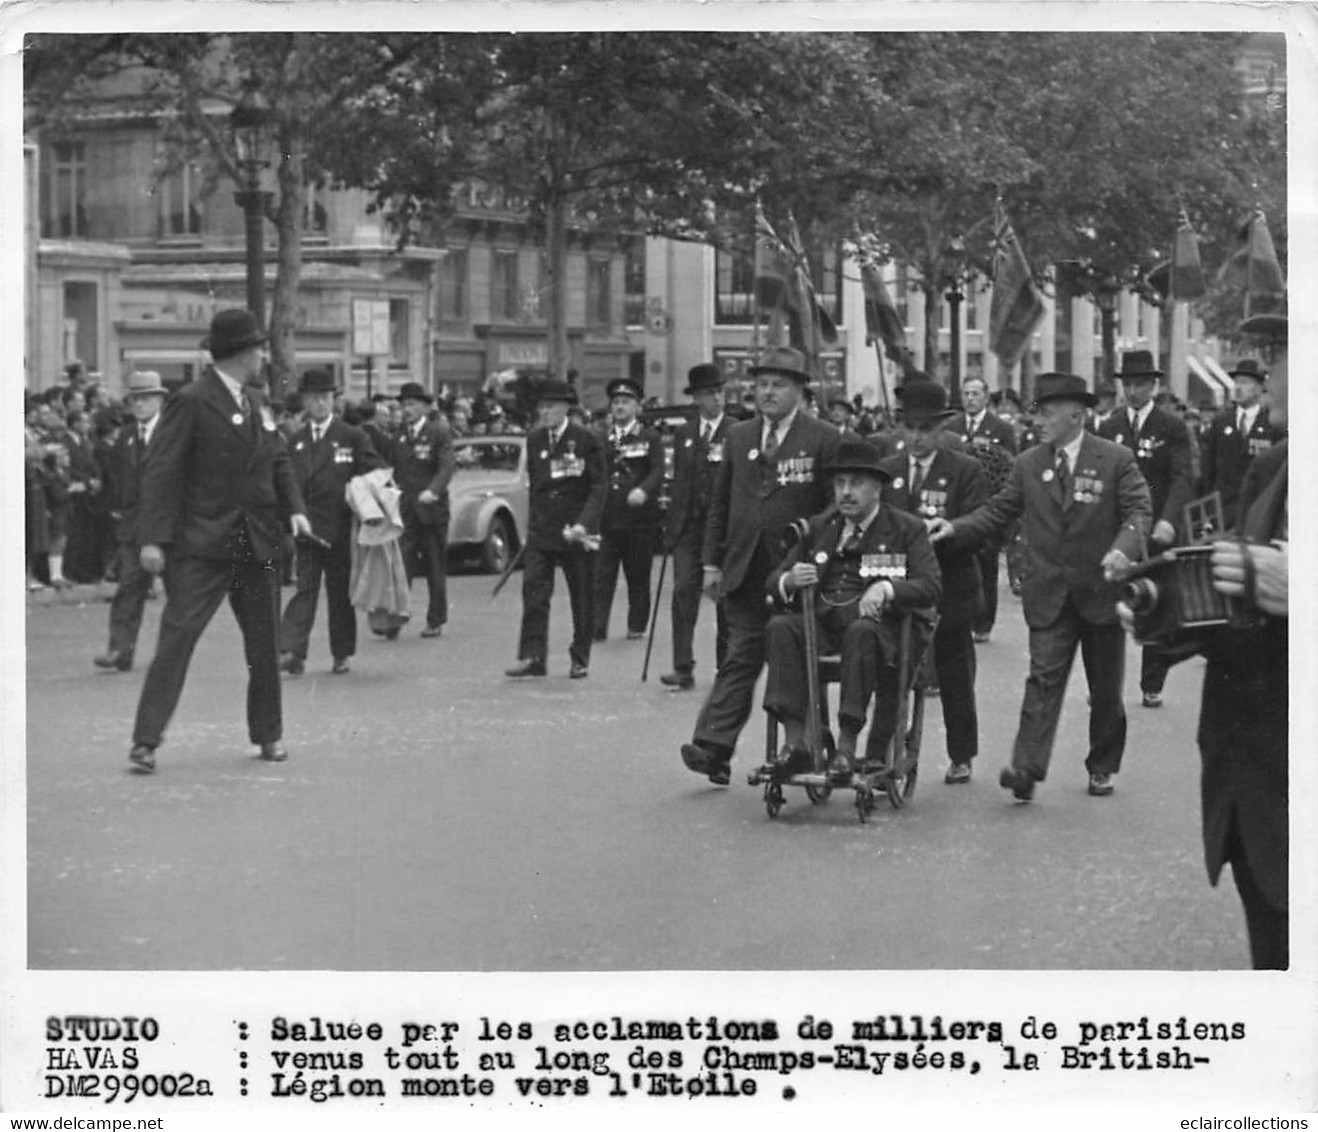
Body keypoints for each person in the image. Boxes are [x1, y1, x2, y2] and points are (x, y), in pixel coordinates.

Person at [1122, 312, 1289, 968]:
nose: (1268, 373)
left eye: (1283, 354)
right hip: (1254, 787)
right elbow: (1249, 619)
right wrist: (1174, 623)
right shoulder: (1276, 465)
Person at [928, 372, 1151, 801]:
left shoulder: (1116, 459)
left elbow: (1139, 511)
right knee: (1042, 680)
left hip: (1100, 590)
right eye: (1038, 413)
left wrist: (1124, 549)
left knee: (1105, 688)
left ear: (1076, 415)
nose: (1039, 421)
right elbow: (997, 511)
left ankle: (1102, 765)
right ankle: (1026, 766)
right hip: (1049, 592)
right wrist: (952, 528)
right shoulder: (1029, 463)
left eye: (1047, 413)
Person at [126, 309, 311, 773]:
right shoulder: (191, 400)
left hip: (255, 540)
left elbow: (278, 459)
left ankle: (268, 734)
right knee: (178, 637)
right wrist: (153, 539)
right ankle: (146, 741)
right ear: (242, 353)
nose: (264, 355)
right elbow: (161, 472)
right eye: (259, 348)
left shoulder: (257, 402)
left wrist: (295, 511)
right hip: (202, 543)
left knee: (265, 645)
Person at [679, 345, 842, 786]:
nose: (767, 393)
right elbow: (721, 504)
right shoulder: (739, 436)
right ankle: (713, 747)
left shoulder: (823, 438)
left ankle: (809, 741)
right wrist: (712, 563)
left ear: (799, 392)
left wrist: (811, 544)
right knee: (740, 656)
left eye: (778, 385)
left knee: (795, 655)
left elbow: (836, 506)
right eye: (762, 385)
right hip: (744, 568)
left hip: (796, 573)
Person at [762, 438, 941, 780]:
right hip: (824, 628)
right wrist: (789, 579)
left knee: (861, 631)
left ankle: (845, 747)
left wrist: (887, 588)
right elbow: (772, 580)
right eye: (840, 483)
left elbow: (930, 586)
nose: (846, 492)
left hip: (882, 634)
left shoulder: (906, 529)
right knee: (780, 628)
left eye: (856, 484)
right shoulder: (820, 528)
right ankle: (796, 743)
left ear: (877, 489)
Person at [879, 380, 989, 783]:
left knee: (955, 674)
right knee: (892, 673)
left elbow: (982, 523)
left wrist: (953, 529)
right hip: (900, 588)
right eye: (909, 427)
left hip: (950, 587)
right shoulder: (886, 471)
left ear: (943, 429)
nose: (917, 437)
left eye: (926, 428)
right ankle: (885, 752)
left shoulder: (965, 470)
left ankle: (962, 755)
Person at [1096, 349, 1194, 708]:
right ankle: (1105, 684)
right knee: (1110, 607)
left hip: (1157, 530)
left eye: (1140, 384)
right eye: (1128, 384)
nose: (1133, 392)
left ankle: (1152, 682)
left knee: (1153, 601)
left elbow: (1183, 477)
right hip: (1119, 531)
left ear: (1153, 386)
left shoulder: (1172, 427)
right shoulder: (1110, 426)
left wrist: (1169, 520)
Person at [278, 368, 385, 676]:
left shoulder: (351, 436)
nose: (320, 404)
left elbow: (375, 470)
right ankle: (292, 651)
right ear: (305, 403)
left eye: (325, 398)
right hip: (307, 529)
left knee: (339, 594)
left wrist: (366, 497)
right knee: (305, 590)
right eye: (313, 399)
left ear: (333, 401)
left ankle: (341, 653)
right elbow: (286, 483)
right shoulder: (295, 441)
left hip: (340, 530)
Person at [505, 379, 607, 679]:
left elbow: (598, 487)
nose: (545, 412)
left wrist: (584, 525)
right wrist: (531, 529)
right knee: (534, 593)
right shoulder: (535, 439)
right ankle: (533, 656)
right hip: (543, 531)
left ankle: (580, 657)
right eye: (542, 407)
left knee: (582, 597)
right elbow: (537, 487)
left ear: (565, 408)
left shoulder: (586, 439)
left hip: (576, 531)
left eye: (550, 406)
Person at [661, 363, 730, 691]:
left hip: (723, 528)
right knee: (682, 592)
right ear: (698, 398)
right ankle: (682, 665)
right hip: (689, 527)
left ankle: (726, 665)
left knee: (724, 596)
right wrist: (671, 527)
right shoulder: (685, 434)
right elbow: (679, 483)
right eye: (709, 394)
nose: (717, 398)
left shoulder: (737, 431)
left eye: (719, 392)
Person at [94, 371, 168, 673]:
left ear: (160, 399)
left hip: (169, 526)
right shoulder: (126, 436)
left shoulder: (173, 432)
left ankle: (172, 654)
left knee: (179, 594)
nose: (139, 404)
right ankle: (120, 649)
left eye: (146, 397)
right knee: (129, 588)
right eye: (135, 398)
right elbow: (119, 479)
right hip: (134, 526)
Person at [945, 375, 1018, 644]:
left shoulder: (1001, 429)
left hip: (990, 505)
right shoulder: (952, 427)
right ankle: (963, 616)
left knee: (987, 564)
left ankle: (984, 621)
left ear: (986, 396)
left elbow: (1011, 469)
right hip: (960, 506)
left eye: (975, 394)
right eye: (965, 394)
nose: (970, 399)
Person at [592, 377, 664, 641]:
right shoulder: (602, 439)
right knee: (602, 577)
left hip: (639, 520)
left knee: (638, 576)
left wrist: (643, 491)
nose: (620, 407)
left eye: (626, 402)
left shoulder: (649, 437)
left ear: (637, 407)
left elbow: (658, 470)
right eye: (616, 402)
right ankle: (597, 626)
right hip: (608, 519)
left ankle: (636, 625)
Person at [390, 381, 455, 639]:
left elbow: (447, 466)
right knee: (402, 566)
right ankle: (397, 617)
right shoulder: (399, 436)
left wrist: (434, 490)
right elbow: (394, 468)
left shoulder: (439, 432)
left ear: (425, 407)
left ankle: (436, 619)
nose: (407, 410)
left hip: (432, 511)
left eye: (413, 404)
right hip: (406, 511)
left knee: (434, 567)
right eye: (404, 405)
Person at [1198, 357, 1285, 531]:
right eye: (1236, 382)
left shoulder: (1272, 424)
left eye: (1245, 383)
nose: (1238, 387)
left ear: (1260, 388)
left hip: (1258, 511)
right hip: (1223, 511)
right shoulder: (1221, 423)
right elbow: (1208, 471)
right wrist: (1207, 513)